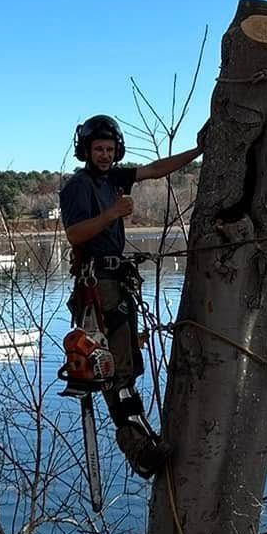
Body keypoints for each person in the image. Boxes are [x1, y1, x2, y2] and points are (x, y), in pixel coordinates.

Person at [60, 113, 202, 477]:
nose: (105, 155)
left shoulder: (116, 178)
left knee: (127, 367)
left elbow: (156, 169)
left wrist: (200, 150)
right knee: (113, 370)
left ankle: (142, 440)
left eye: (109, 149)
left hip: (116, 281)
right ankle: (137, 449)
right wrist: (111, 214)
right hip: (96, 285)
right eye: (98, 149)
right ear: (86, 151)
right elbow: (75, 235)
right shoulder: (78, 186)